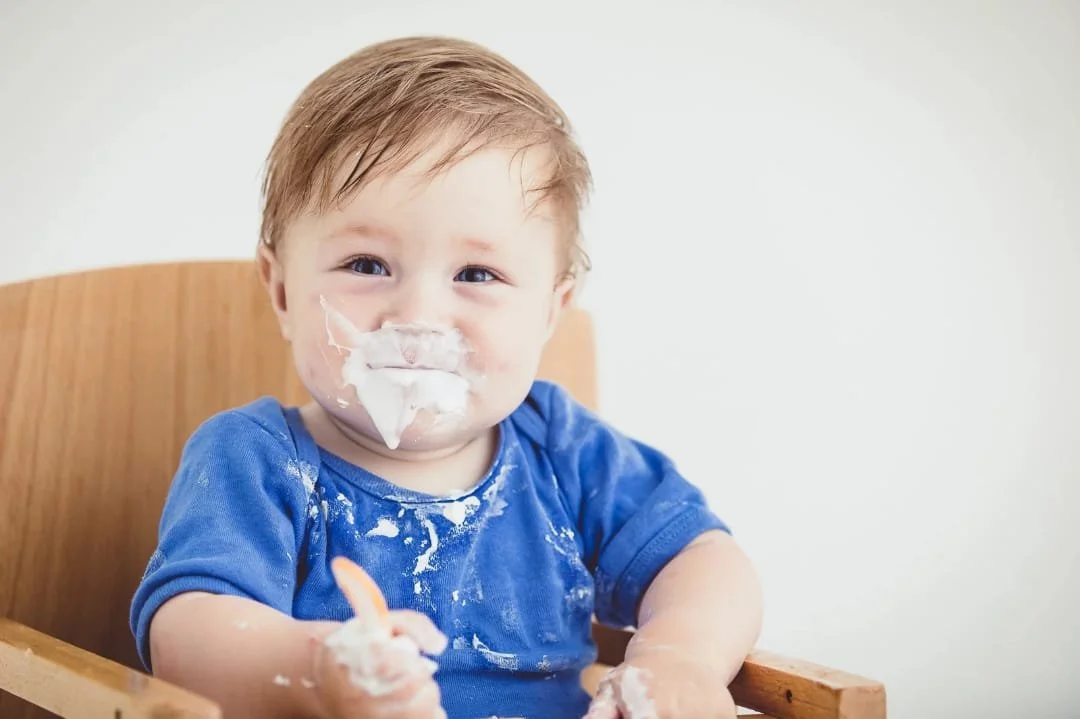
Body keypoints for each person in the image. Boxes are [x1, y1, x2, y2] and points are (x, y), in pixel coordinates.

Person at [130, 35, 763, 719]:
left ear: (550, 313)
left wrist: (678, 656)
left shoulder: (563, 451)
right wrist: (321, 673)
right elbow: (185, 636)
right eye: (368, 265)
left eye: (476, 274)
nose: (420, 315)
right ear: (282, 290)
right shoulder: (257, 459)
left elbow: (704, 558)